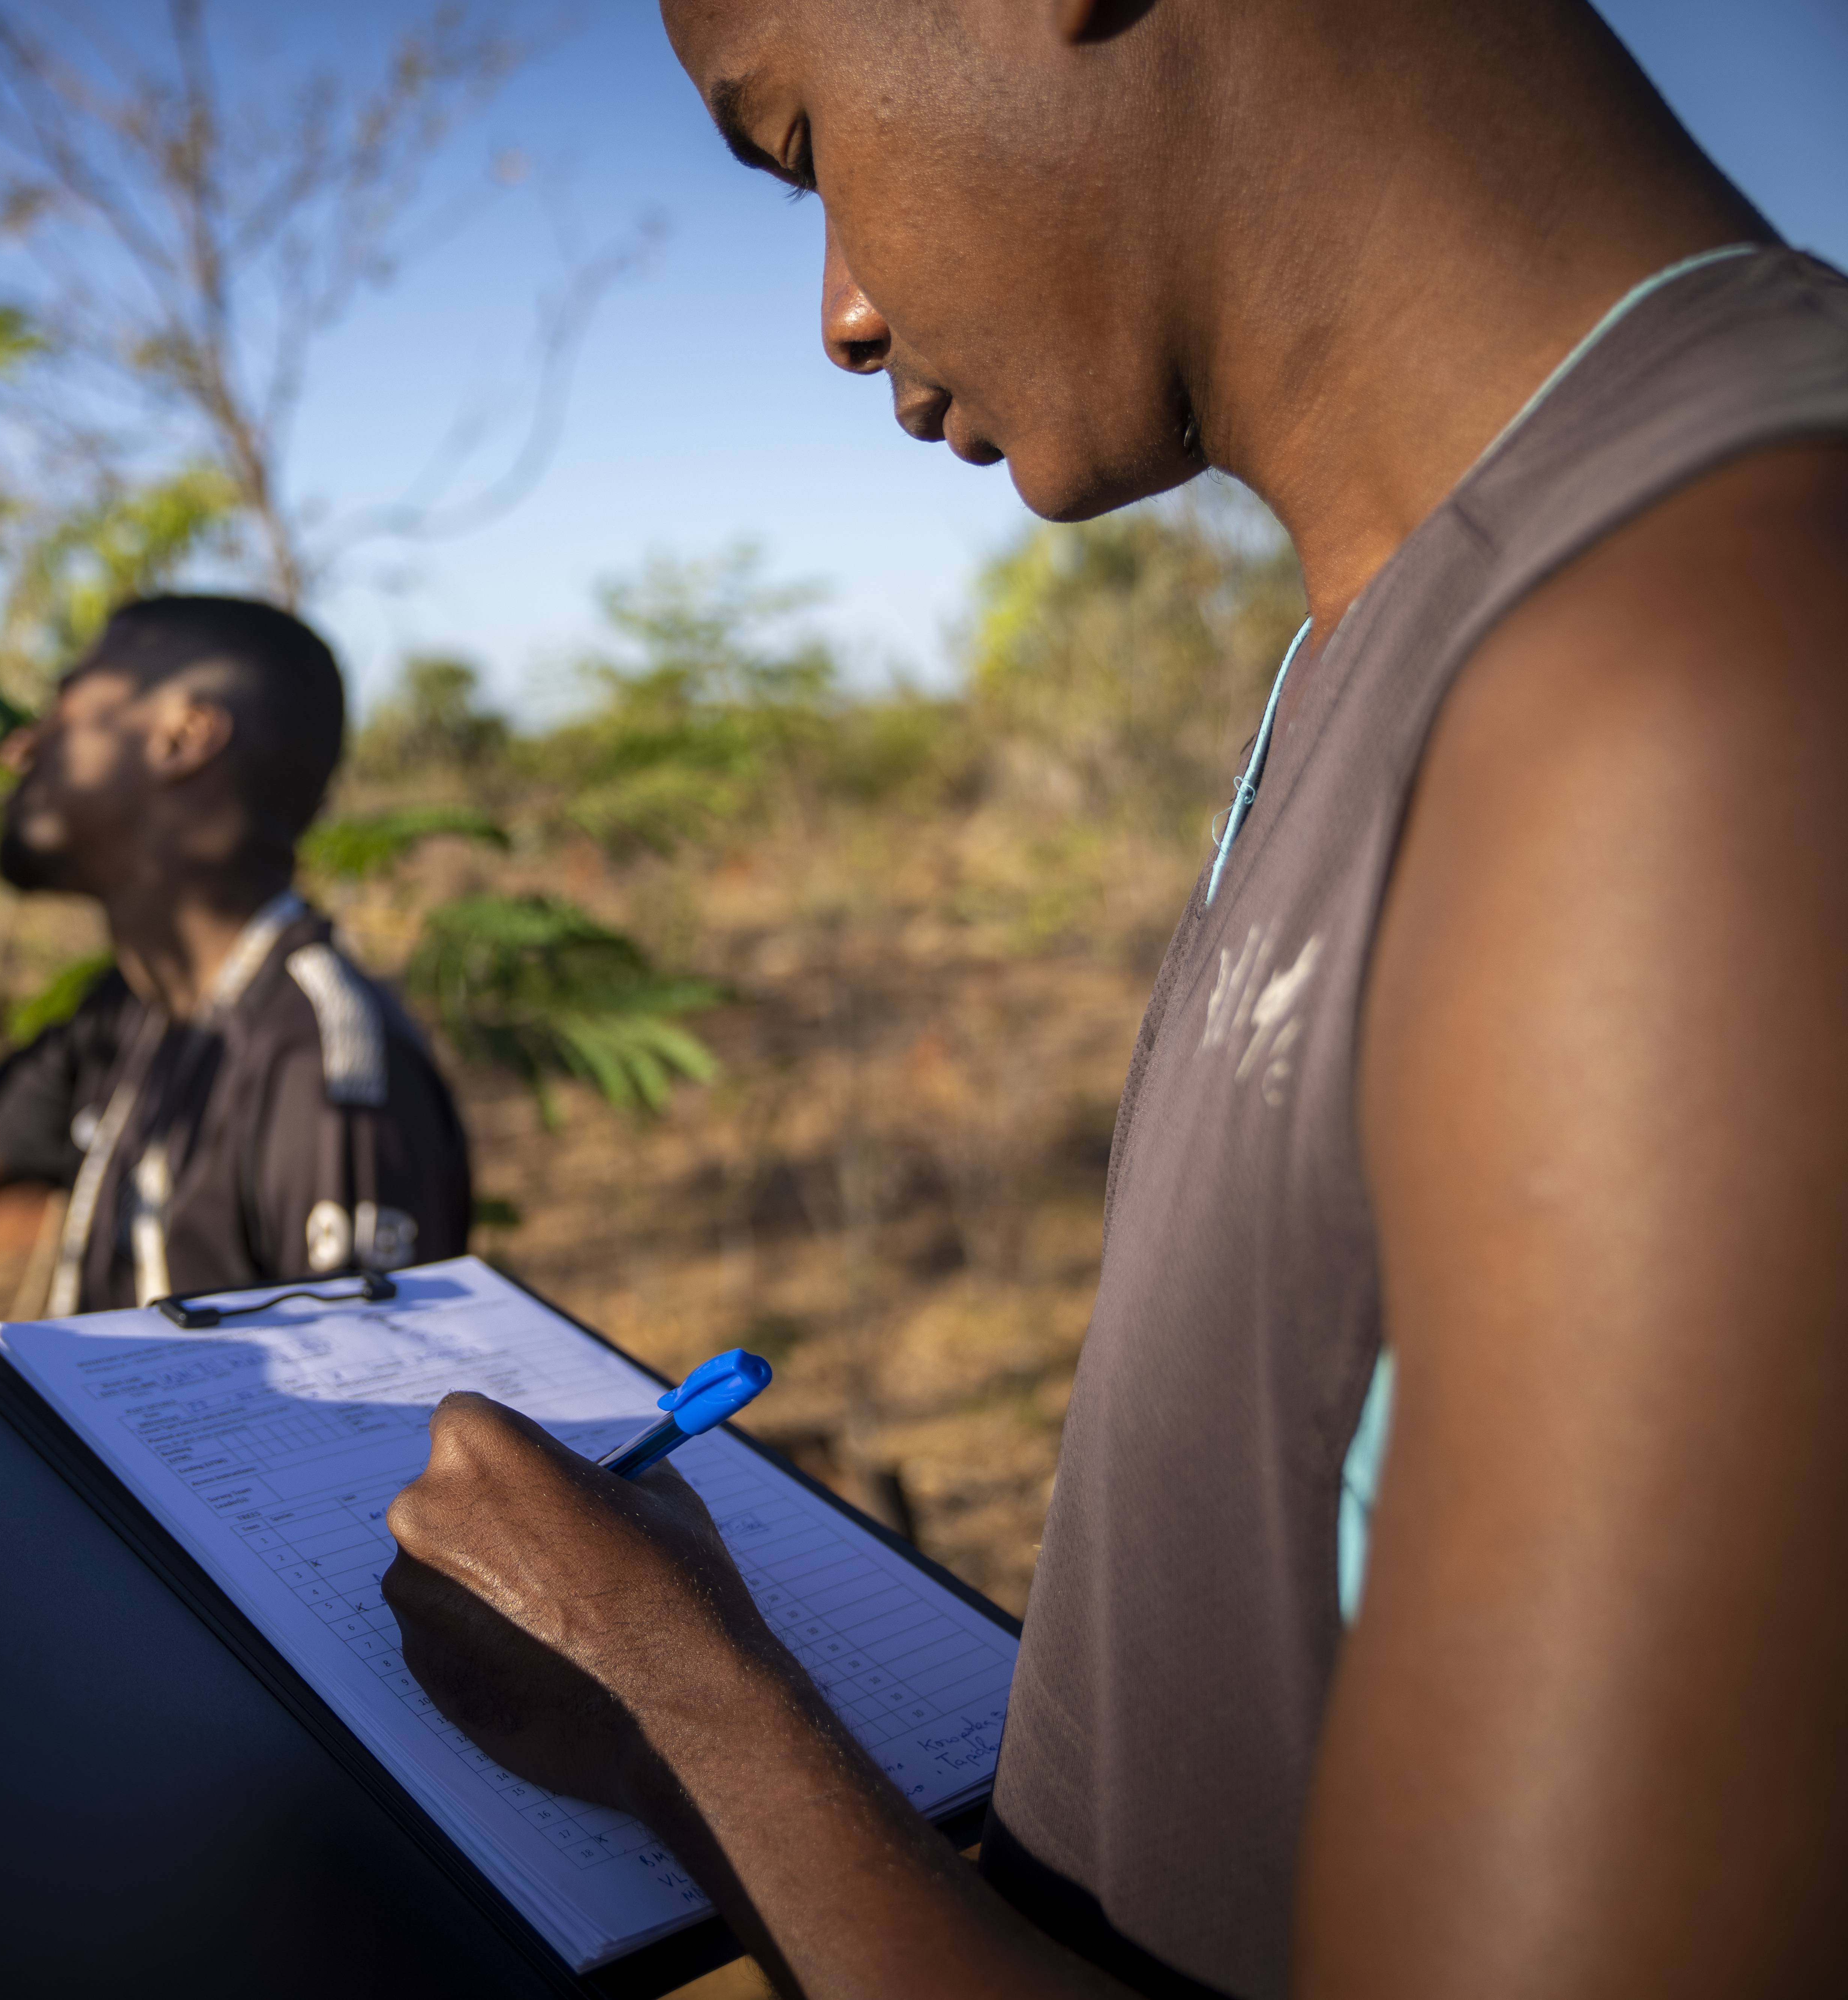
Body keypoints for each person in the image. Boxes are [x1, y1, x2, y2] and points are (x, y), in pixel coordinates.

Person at [378, 3, 1848, 1997]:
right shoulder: (1432, 619)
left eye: (801, 142)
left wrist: (680, 1706)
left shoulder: (1715, 693)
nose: (842, 313)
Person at [0, 594, 472, 1316]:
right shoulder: (131, 1016)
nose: (21, 745)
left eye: (64, 707)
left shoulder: (317, 1066)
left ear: (183, 739)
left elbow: (377, 1404)